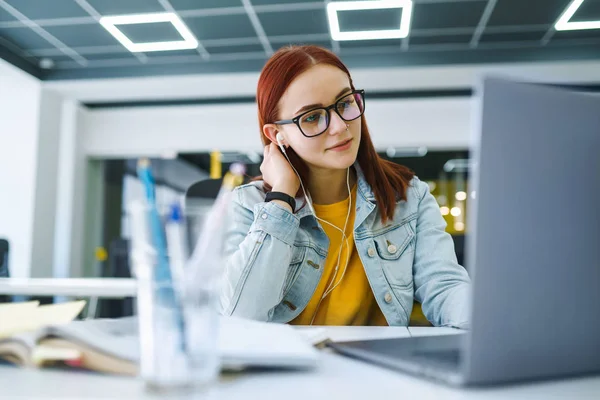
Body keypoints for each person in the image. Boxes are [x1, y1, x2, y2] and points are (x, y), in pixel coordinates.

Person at [219, 45, 470, 328]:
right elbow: (240, 317)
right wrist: (281, 197)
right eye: (312, 117)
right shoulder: (248, 206)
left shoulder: (408, 197)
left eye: (345, 103)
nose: (339, 126)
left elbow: (444, 287)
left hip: (378, 367)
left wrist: (494, 318)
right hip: (288, 371)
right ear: (277, 135)